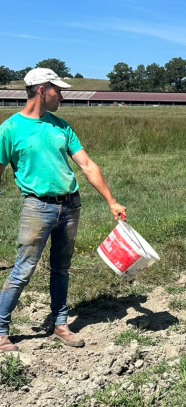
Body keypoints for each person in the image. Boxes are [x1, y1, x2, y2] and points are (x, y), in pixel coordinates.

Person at [0, 68, 126, 351]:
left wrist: (111, 201)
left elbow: (88, 165)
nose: (63, 96)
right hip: (37, 207)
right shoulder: (9, 130)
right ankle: (0, 331)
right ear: (42, 90)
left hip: (70, 204)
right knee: (23, 270)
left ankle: (60, 324)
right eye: (59, 90)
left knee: (61, 268)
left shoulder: (62, 126)